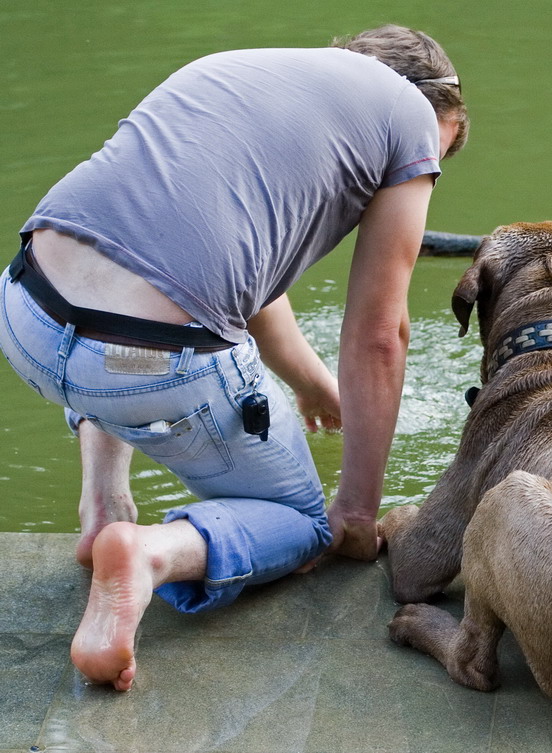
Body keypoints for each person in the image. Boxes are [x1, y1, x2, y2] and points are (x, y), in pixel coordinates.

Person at [0, 24, 468, 691]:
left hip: (26, 317)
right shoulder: (411, 120)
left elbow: (227, 275)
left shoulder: (236, 70)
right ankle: (146, 553)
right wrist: (356, 513)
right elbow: (378, 333)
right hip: (145, 361)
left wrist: (310, 385)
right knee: (307, 522)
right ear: (435, 114)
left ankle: (102, 506)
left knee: (125, 306)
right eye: (437, 162)